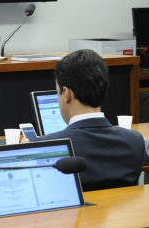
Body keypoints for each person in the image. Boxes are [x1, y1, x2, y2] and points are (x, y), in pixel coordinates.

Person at [35, 49, 144, 191]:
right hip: (121, 213)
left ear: (67, 94)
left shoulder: (45, 146)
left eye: (58, 93)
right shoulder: (134, 140)